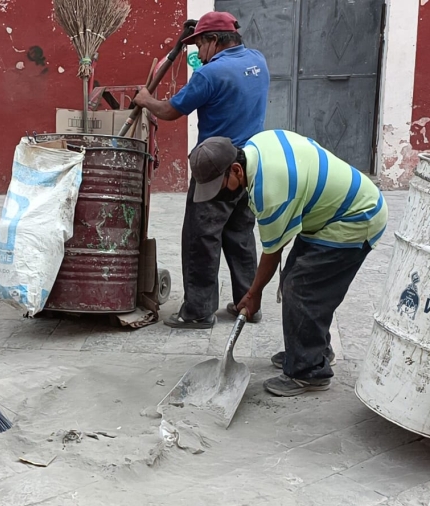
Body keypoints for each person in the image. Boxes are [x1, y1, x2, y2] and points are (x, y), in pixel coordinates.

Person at [189, 130, 388, 396]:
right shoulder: (256, 144)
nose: (219, 194)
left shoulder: (270, 191)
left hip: (355, 217)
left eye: (220, 185)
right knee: (299, 278)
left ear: (236, 170)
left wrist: (253, 293)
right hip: (326, 213)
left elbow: (273, 252)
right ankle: (312, 350)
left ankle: (309, 371)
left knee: (302, 288)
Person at [134, 11, 270, 329]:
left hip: (217, 162)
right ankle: (247, 305)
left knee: (201, 236)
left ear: (213, 41)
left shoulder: (210, 75)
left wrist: (145, 100)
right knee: (239, 234)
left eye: (200, 45)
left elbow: (170, 111)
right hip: (251, 160)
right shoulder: (258, 61)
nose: (197, 53)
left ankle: (197, 311)